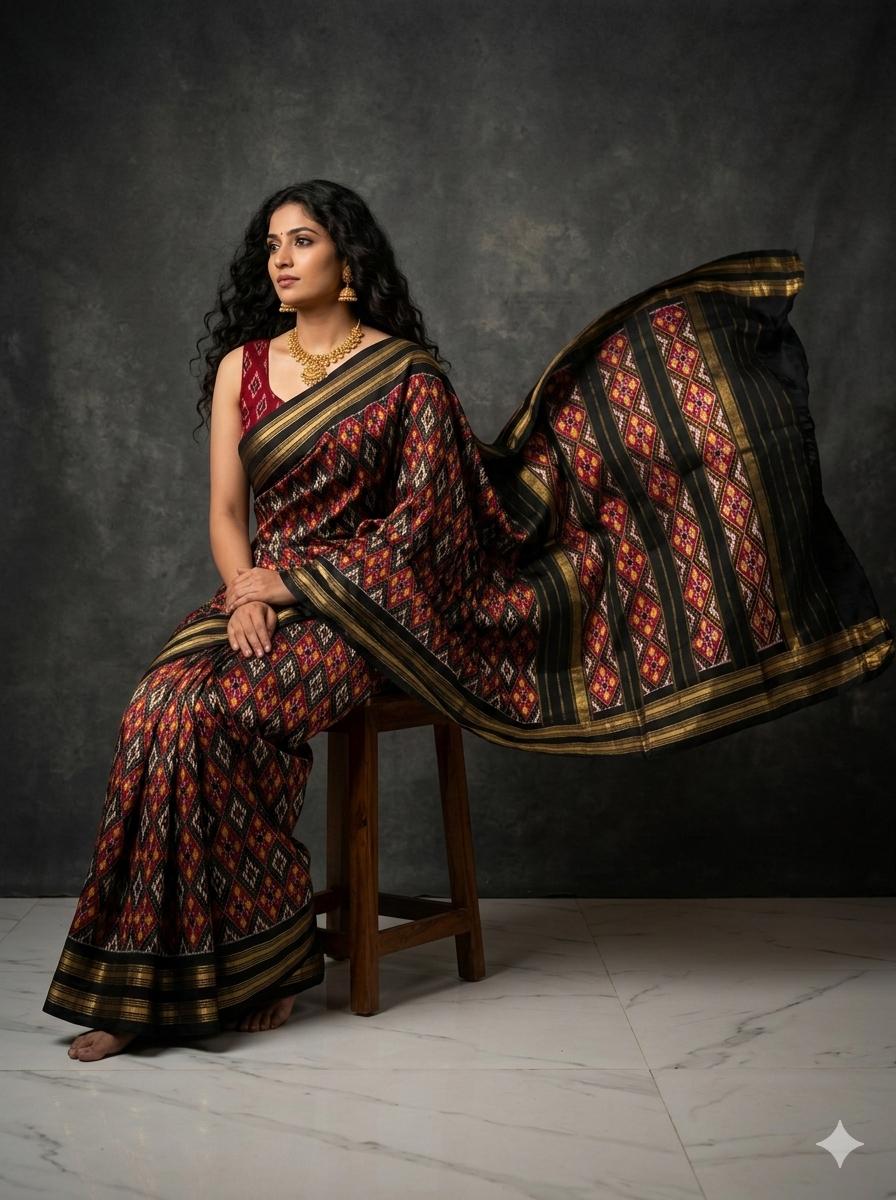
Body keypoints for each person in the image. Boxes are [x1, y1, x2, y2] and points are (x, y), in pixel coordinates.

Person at [44, 180, 893, 1062]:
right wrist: (248, 592)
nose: (281, 260)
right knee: (156, 710)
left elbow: (420, 534)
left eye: (302, 241)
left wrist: (294, 587)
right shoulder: (242, 368)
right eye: (271, 246)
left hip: (365, 618)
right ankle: (143, 987)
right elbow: (227, 512)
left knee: (221, 713)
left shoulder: (408, 378)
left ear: (348, 262)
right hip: (256, 595)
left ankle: (263, 965)